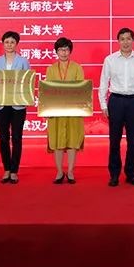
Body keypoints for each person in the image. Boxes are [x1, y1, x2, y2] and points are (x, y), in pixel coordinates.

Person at [99, 27, 134, 187]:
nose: (125, 42)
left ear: (133, 40)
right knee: (114, 140)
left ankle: (131, 174)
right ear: (118, 41)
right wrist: (103, 104)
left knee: (133, 140)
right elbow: (103, 83)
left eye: (128, 39)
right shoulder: (110, 60)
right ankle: (114, 174)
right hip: (116, 102)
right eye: (122, 39)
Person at [44, 37, 86, 184]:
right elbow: (47, 90)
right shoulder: (51, 69)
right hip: (56, 111)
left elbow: (81, 88)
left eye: (66, 49)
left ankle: (71, 171)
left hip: (73, 111)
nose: (64, 52)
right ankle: (59, 172)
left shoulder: (77, 67)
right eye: (61, 49)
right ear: (56, 52)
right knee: (57, 141)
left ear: (70, 51)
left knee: (73, 140)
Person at [0, 31, 30, 184]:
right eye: (6, 42)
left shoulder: (23, 61)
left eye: (12, 42)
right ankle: (6, 168)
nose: (9, 45)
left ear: (16, 44)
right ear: (3, 44)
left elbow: (27, 82)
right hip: (1, 104)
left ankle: (14, 170)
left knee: (17, 137)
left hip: (18, 105)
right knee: (3, 137)